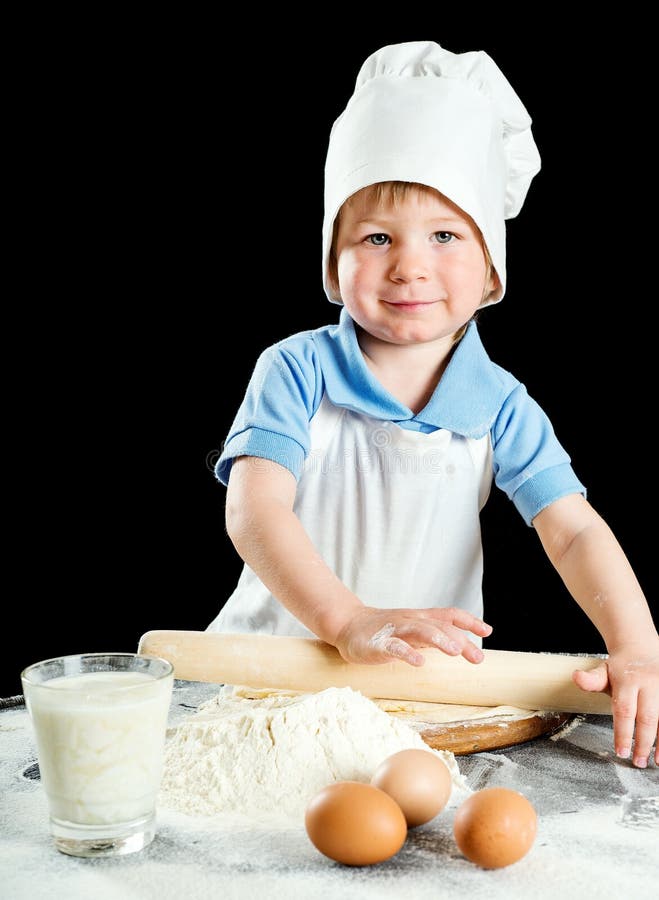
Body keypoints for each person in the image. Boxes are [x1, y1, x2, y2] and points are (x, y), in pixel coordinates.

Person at [208, 41, 658, 767]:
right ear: (334, 262)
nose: (409, 264)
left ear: (489, 273)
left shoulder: (501, 405)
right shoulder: (295, 369)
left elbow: (572, 532)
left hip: (425, 699)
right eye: (376, 236)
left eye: (445, 236)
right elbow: (255, 511)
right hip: (272, 681)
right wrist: (347, 621)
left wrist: (636, 647)